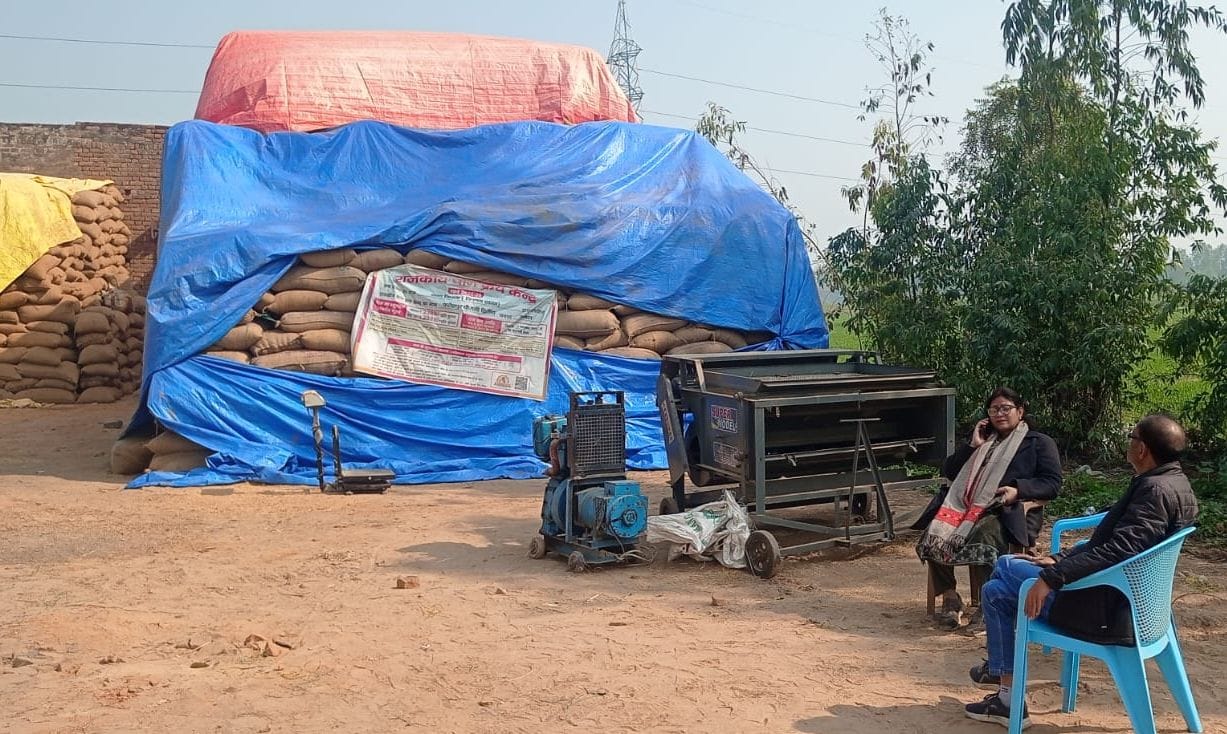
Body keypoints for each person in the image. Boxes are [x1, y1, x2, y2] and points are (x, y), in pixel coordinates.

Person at [962, 413, 1199, 728]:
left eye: (1132, 437)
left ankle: (1003, 680)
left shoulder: (1154, 492)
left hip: (1103, 610)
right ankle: (1006, 695)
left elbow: (1118, 551)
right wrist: (1060, 559)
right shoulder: (1174, 483)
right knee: (997, 592)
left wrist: (1052, 577)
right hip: (1136, 604)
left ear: (1142, 450)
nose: (1128, 441)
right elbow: (1115, 545)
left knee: (1005, 566)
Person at [914, 387, 1063, 628]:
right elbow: (949, 471)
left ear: (1021, 411)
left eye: (1006, 408)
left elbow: (1052, 483)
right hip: (966, 510)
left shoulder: (1038, 443)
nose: (1000, 414)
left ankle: (988, 603)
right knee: (936, 530)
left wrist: (1018, 491)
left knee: (985, 533)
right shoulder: (984, 440)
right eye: (994, 409)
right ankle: (951, 598)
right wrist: (973, 446)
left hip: (1007, 511)